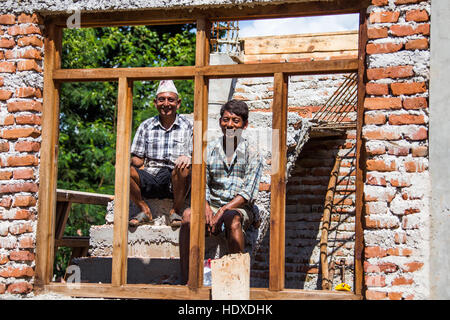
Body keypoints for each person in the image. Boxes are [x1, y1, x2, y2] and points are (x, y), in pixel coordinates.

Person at [179, 99, 262, 285]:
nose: (230, 125)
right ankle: (185, 279)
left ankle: (236, 280)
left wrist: (222, 211)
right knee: (187, 216)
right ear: (220, 122)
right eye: (226, 119)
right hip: (214, 203)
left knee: (233, 219)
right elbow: (202, 184)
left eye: (235, 120)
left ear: (245, 125)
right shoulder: (210, 150)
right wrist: (206, 207)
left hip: (239, 207)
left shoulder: (252, 151)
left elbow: (247, 193)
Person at [129, 80, 192, 227]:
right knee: (123, 171)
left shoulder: (189, 126)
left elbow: (196, 155)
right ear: (155, 103)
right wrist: (135, 164)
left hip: (174, 178)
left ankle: (175, 211)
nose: (166, 103)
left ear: (178, 103)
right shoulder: (146, 125)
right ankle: (144, 210)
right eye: (161, 99)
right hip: (150, 173)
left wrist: (188, 157)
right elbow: (137, 158)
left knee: (184, 168)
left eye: (171, 100)